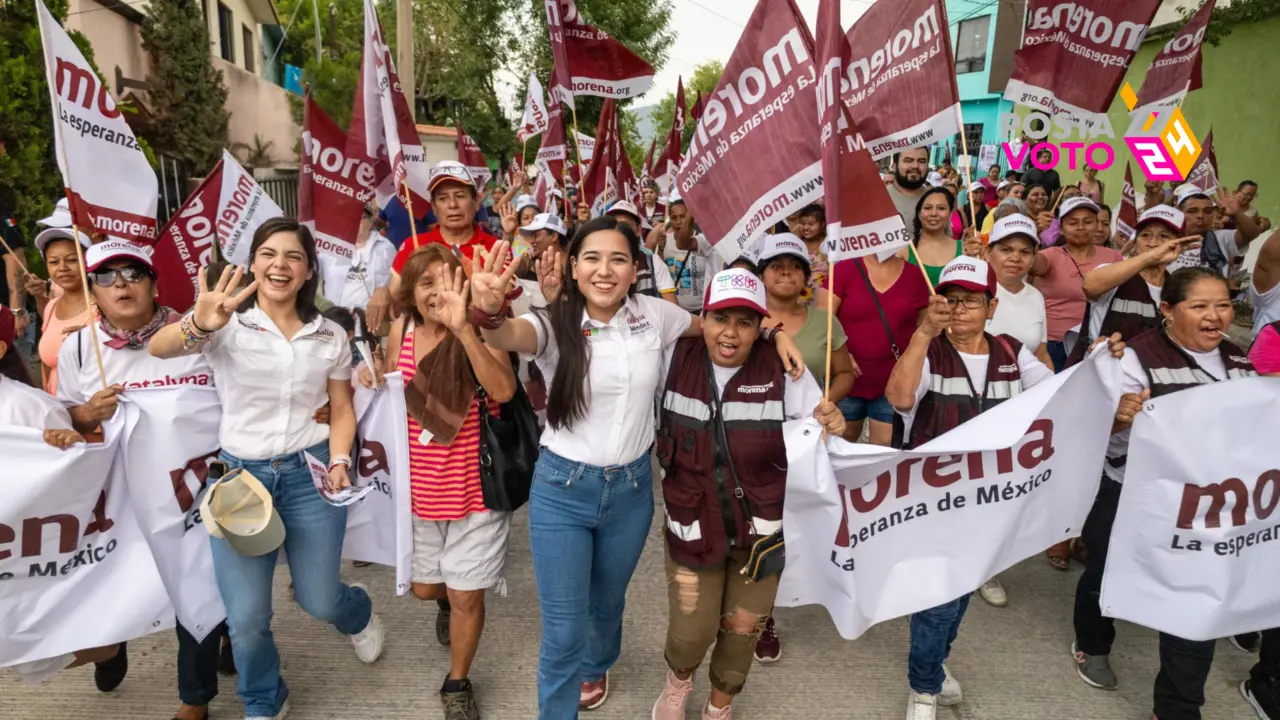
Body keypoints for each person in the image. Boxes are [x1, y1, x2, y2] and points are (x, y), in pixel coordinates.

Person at [466, 219, 802, 718]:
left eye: (618, 259)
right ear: (574, 267)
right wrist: (488, 312)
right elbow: (512, 332)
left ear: (635, 270)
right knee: (562, 633)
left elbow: (717, 322)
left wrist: (775, 332)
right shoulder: (554, 321)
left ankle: (598, 663)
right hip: (563, 490)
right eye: (592, 258)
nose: (605, 270)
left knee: (606, 606)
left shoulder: (655, 315)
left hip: (631, 491)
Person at [150, 218, 384, 720]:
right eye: (269, 254)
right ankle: (264, 699)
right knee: (247, 618)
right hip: (240, 482)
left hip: (309, 475)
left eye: (293, 257)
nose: (280, 265)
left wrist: (340, 460)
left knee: (320, 600)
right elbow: (159, 347)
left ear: (307, 272)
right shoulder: (225, 324)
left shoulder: (331, 334)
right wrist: (199, 323)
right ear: (252, 263)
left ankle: (358, 612)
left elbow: (341, 407)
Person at [650, 268, 846, 720]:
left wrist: (831, 425)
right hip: (691, 527)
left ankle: (720, 704)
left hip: (761, 535)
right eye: (720, 318)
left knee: (743, 629)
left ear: (761, 326)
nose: (730, 333)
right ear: (703, 318)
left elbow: (817, 437)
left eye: (745, 321)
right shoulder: (673, 359)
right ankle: (679, 682)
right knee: (691, 631)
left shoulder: (784, 368)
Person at [53, 240, 234, 720]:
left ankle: (194, 700)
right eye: (107, 277)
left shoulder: (198, 334)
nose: (122, 285)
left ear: (154, 284)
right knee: (123, 580)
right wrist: (88, 412)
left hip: (197, 493)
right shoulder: (77, 348)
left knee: (192, 587)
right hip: (119, 497)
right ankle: (115, 644)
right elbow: (63, 417)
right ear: (93, 291)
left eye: (133, 273)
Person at [1072, 267, 1257, 720]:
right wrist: (1117, 417)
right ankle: (1093, 643)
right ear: (1168, 310)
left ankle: (1177, 707)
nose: (1216, 316)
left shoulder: (1237, 359)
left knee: (1195, 602)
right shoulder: (1135, 359)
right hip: (1131, 495)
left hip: (1205, 508)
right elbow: (1093, 433)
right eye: (1200, 306)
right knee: (1108, 573)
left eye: (1224, 305)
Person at [884, 257, 1059, 720]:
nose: (960, 309)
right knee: (939, 600)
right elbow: (900, 398)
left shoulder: (1012, 353)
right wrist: (922, 333)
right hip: (933, 500)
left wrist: (1104, 365)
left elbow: (1058, 395)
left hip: (990, 501)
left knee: (958, 597)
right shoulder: (929, 350)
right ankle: (924, 689)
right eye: (951, 299)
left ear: (991, 305)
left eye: (972, 301)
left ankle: (936, 666)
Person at [360, 244, 515, 720]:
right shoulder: (400, 330)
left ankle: (457, 682)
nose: (436, 291)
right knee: (431, 589)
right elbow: (388, 391)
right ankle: (446, 602)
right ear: (410, 291)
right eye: (425, 282)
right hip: (418, 493)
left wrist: (464, 330)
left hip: (475, 490)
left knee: (468, 593)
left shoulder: (485, 327)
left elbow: (504, 390)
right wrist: (367, 385)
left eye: (447, 279)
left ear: (463, 284)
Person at [829, 247, 931, 447]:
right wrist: (840, 354)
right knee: (839, 444)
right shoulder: (845, 269)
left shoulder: (915, 275)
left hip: (893, 382)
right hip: (847, 378)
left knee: (884, 449)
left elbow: (922, 326)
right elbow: (824, 316)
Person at [1028, 197, 1124, 372]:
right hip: (1055, 345)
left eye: (1088, 222)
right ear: (1061, 229)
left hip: (1099, 344)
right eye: (1073, 223)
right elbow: (1030, 264)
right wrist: (1033, 236)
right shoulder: (1051, 255)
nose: (1081, 227)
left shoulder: (1113, 257)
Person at [27, 227, 93, 394]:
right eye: (54, 262)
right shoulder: (51, 306)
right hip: (58, 413)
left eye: (72, 260)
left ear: (88, 261)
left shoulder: (106, 307)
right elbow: (48, 364)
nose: (62, 268)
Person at [1172, 184, 1263, 277]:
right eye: (1192, 211)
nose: (1201, 216)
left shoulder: (1220, 239)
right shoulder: (1165, 239)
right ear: (1179, 213)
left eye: (1207, 211)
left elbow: (1251, 234)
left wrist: (1236, 214)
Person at [329, 202, 396, 315]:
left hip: (370, 325)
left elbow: (398, 283)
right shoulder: (330, 248)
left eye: (360, 218)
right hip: (337, 323)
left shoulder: (386, 248)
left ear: (370, 222)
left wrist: (386, 293)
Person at [654, 194, 715, 313]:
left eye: (683, 216)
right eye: (674, 217)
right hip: (675, 310)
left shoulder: (702, 242)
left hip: (701, 310)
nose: (678, 222)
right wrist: (660, 250)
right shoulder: (664, 241)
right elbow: (661, 275)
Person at [608, 200, 678, 301]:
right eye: (613, 225)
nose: (619, 230)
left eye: (626, 225)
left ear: (638, 230)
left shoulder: (652, 261)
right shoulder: (597, 262)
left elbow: (672, 308)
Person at [907, 187, 962, 288]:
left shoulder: (964, 249)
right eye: (927, 208)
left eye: (941, 208)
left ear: (950, 214)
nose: (933, 213)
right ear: (919, 214)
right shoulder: (904, 251)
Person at [792, 203, 832, 308]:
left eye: (811, 224)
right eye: (802, 223)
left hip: (824, 299)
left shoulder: (829, 244)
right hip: (798, 301)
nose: (806, 228)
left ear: (822, 224)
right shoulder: (796, 245)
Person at [887, 148, 931, 230]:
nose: (915, 166)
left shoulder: (938, 200)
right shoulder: (879, 200)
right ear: (894, 166)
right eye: (908, 160)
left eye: (921, 161)